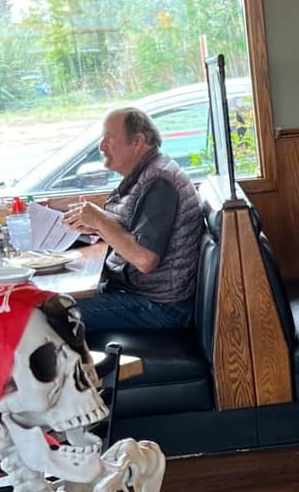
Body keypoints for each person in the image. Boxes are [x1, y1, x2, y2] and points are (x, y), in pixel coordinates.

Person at [62, 107, 203, 332]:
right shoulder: (147, 172)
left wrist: (100, 220)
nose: (101, 146)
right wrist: (95, 225)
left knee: (52, 314)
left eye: (109, 138)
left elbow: (145, 259)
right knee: (53, 302)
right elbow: (132, 231)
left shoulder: (159, 182)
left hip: (161, 307)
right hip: (139, 293)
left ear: (137, 141)